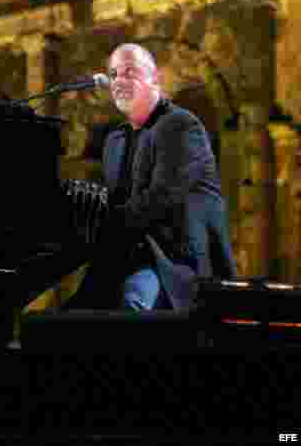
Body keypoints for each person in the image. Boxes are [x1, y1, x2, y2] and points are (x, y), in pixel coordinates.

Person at [69, 43, 236, 311]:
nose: (119, 81)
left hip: (172, 265)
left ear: (154, 78)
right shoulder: (115, 142)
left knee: (131, 302)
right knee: (65, 321)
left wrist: (101, 225)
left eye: (130, 72)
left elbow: (160, 200)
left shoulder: (181, 126)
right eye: (113, 75)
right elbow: (116, 205)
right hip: (125, 259)